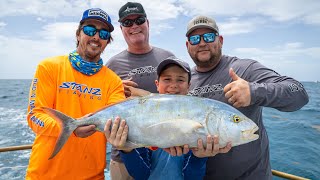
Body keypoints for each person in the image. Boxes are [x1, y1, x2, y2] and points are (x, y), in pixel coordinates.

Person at [185, 15, 309, 180]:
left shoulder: (244, 68)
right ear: (187, 45)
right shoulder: (184, 81)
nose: (201, 43)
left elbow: (299, 92)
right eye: (194, 39)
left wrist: (254, 91)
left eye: (208, 36)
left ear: (220, 40)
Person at [25, 8, 125, 179]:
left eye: (103, 33)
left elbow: (118, 120)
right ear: (78, 34)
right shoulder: (49, 67)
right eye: (89, 30)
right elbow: (35, 116)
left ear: (108, 41)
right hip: (44, 175)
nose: (96, 37)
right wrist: (70, 129)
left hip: (92, 176)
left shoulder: (113, 81)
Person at [104, 56, 231, 180]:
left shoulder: (196, 117)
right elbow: (141, 175)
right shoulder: (143, 118)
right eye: (167, 79)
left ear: (189, 86)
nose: (173, 85)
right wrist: (127, 150)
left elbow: (192, 177)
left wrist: (199, 157)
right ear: (157, 84)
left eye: (180, 80)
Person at [105, 2, 175, 179]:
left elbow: (181, 99)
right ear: (122, 29)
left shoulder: (168, 57)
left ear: (148, 23)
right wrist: (114, 91)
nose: (134, 26)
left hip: (165, 153)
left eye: (139, 20)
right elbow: (102, 105)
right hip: (125, 154)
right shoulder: (112, 65)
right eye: (128, 23)